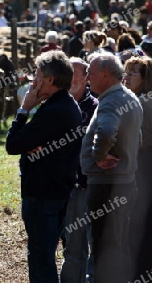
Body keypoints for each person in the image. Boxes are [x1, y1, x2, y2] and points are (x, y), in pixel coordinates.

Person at [6, 50, 83, 283]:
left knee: (41, 261)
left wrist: (24, 110)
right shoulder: (62, 106)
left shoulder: (54, 111)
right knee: (44, 256)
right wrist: (28, 141)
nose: (34, 80)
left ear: (50, 80)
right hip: (54, 192)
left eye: (38, 75)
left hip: (43, 195)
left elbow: (12, 144)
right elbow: (24, 144)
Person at [81, 53, 142, 283]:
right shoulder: (128, 97)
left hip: (107, 185)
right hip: (123, 182)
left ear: (105, 75)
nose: (87, 78)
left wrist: (99, 156)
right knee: (117, 243)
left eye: (91, 73)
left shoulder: (111, 100)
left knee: (103, 248)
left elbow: (106, 131)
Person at [60, 57, 98, 283]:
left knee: (94, 244)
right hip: (61, 185)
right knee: (72, 246)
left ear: (86, 79)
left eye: (74, 75)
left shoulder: (94, 108)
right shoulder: (54, 106)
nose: (69, 80)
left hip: (86, 184)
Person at [123, 57, 152, 280]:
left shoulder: (144, 103)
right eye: (126, 72)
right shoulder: (134, 100)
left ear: (145, 78)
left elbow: (146, 138)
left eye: (133, 73)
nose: (127, 77)